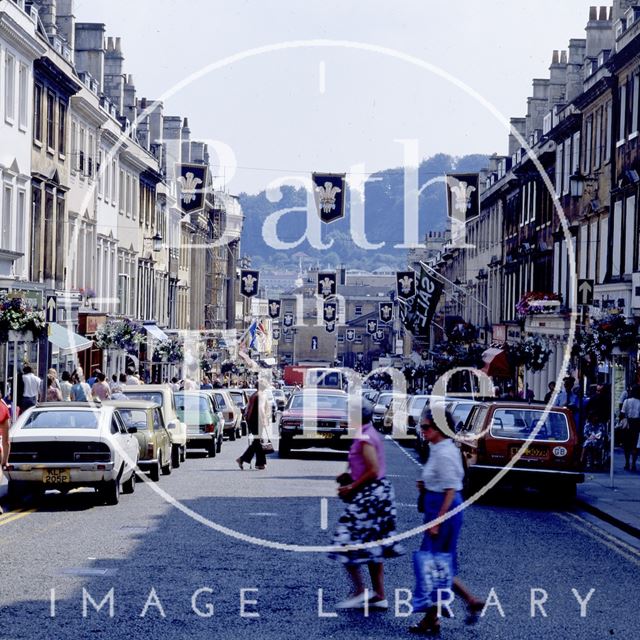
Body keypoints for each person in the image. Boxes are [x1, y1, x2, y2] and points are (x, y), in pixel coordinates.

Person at [410, 406, 483, 635]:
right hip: (437, 508)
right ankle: (444, 614)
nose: (422, 431)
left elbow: (451, 489)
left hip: (444, 511)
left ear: (439, 428)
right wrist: (426, 485)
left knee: (433, 566)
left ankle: (440, 615)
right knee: (436, 566)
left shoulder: (444, 452)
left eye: (426, 427)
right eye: (421, 426)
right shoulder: (438, 448)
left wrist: (438, 522)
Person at [328, 399, 403, 610]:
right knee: (373, 545)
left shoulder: (364, 435)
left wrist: (352, 487)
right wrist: (349, 475)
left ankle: (360, 591)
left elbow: (372, 468)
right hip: (377, 494)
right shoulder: (368, 432)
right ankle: (380, 595)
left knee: (346, 540)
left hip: (371, 495)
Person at [236, 391, 267, 470]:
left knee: (258, 442)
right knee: (257, 442)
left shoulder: (254, 395)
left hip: (253, 421)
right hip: (257, 421)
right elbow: (261, 410)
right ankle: (242, 459)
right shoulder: (259, 396)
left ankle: (260, 463)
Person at [620, 385, 640, 472]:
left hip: (627, 424)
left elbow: (622, 413)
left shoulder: (626, 401)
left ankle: (627, 462)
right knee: (635, 445)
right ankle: (633, 463)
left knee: (626, 445)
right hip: (637, 424)